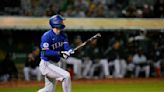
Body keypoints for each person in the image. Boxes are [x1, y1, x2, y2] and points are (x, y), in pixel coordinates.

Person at [38, 14, 74, 92]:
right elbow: (45, 52)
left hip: (55, 64)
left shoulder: (63, 35)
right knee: (66, 75)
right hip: (46, 64)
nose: (63, 23)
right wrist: (60, 53)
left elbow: (66, 46)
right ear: (56, 23)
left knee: (48, 90)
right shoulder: (47, 36)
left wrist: (69, 50)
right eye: (61, 21)